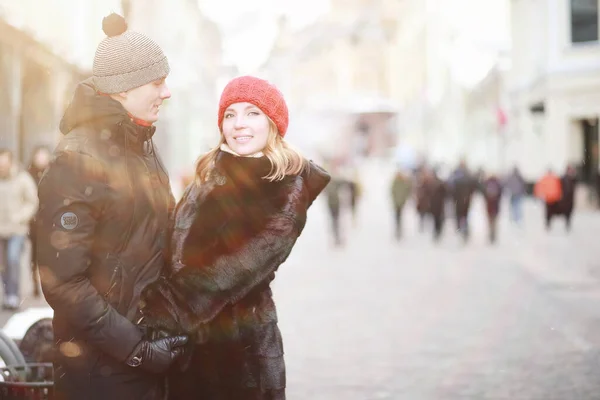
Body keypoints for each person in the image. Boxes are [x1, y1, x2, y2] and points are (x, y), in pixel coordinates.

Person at [139, 76, 330, 399]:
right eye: (230, 115)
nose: (239, 124)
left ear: (273, 123)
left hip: (240, 356)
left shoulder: (285, 187)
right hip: (188, 350)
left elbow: (230, 271)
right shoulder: (212, 173)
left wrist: (159, 310)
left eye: (252, 113)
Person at [36, 14, 187, 399]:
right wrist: (136, 349)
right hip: (100, 369)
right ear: (123, 90)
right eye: (157, 82)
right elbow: (63, 281)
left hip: (146, 354)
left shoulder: (143, 145)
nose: (166, 92)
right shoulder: (77, 159)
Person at [0, 148, 38, 310]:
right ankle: (8, 292)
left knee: (13, 259)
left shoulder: (22, 178)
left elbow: (32, 201)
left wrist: (21, 216)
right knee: (2, 264)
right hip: (0, 229)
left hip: (17, 229)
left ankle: (14, 295)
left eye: (4, 162)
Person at [27, 145, 51, 297]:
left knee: (49, 255)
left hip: (49, 220)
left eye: (44, 155)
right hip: (34, 221)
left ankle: (47, 284)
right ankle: (36, 283)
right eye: (39, 156)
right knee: (35, 255)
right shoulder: (29, 174)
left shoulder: (53, 172)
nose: (41, 159)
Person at [390, 167, 413, 239]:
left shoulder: (404, 182)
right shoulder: (395, 182)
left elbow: (408, 190)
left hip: (401, 202)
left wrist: (404, 199)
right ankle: (398, 228)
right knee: (397, 216)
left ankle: (399, 229)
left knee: (400, 216)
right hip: (396, 202)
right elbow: (392, 191)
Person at [481, 172, 503, 243]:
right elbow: (500, 194)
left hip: (489, 206)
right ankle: (493, 235)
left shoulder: (487, 183)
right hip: (495, 206)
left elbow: (484, 193)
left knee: (490, 221)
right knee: (495, 222)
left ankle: (491, 235)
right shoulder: (498, 183)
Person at [559, 164, 577, 231]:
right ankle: (567, 223)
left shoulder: (572, 178)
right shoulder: (563, 178)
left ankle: (568, 224)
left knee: (569, 212)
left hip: (570, 199)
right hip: (564, 199)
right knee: (566, 211)